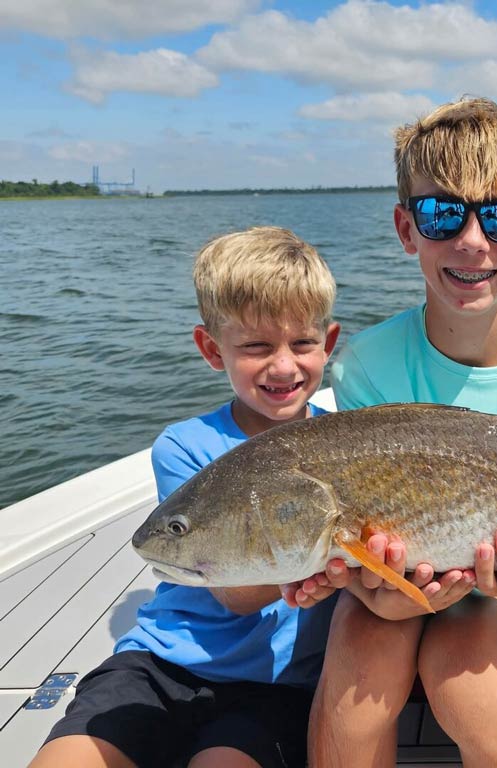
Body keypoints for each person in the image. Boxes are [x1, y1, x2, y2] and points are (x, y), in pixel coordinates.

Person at [308, 96, 497, 768]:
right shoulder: (362, 365)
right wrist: (380, 592)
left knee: (468, 675)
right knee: (358, 684)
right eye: (442, 213)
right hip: (388, 574)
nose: (472, 242)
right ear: (405, 227)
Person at [32, 226, 345, 768]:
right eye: (255, 346)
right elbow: (231, 588)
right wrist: (334, 557)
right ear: (210, 348)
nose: (284, 366)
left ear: (329, 343)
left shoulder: (348, 446)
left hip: (277, 687)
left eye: (302, 343)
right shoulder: (184, 445)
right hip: (157, 666)